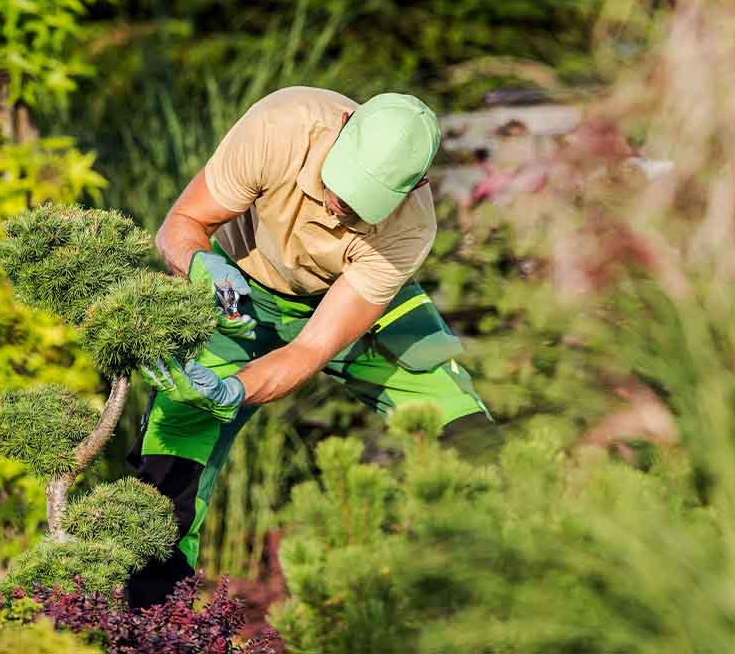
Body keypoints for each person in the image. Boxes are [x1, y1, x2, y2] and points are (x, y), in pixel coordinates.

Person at [127, 87, 496, 608]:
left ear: (417, 186)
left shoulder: (410, 227)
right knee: (170, 456)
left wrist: (235, 390)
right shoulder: (282, 125)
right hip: (238, 292)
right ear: (343, 125)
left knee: (470, 436)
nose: (337, 208)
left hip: (349, 307)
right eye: (340, 186)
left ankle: (518, 596)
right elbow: (181, 225)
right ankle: (154, 625)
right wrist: (198, 264)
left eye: (361, 204)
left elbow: (311, 349)